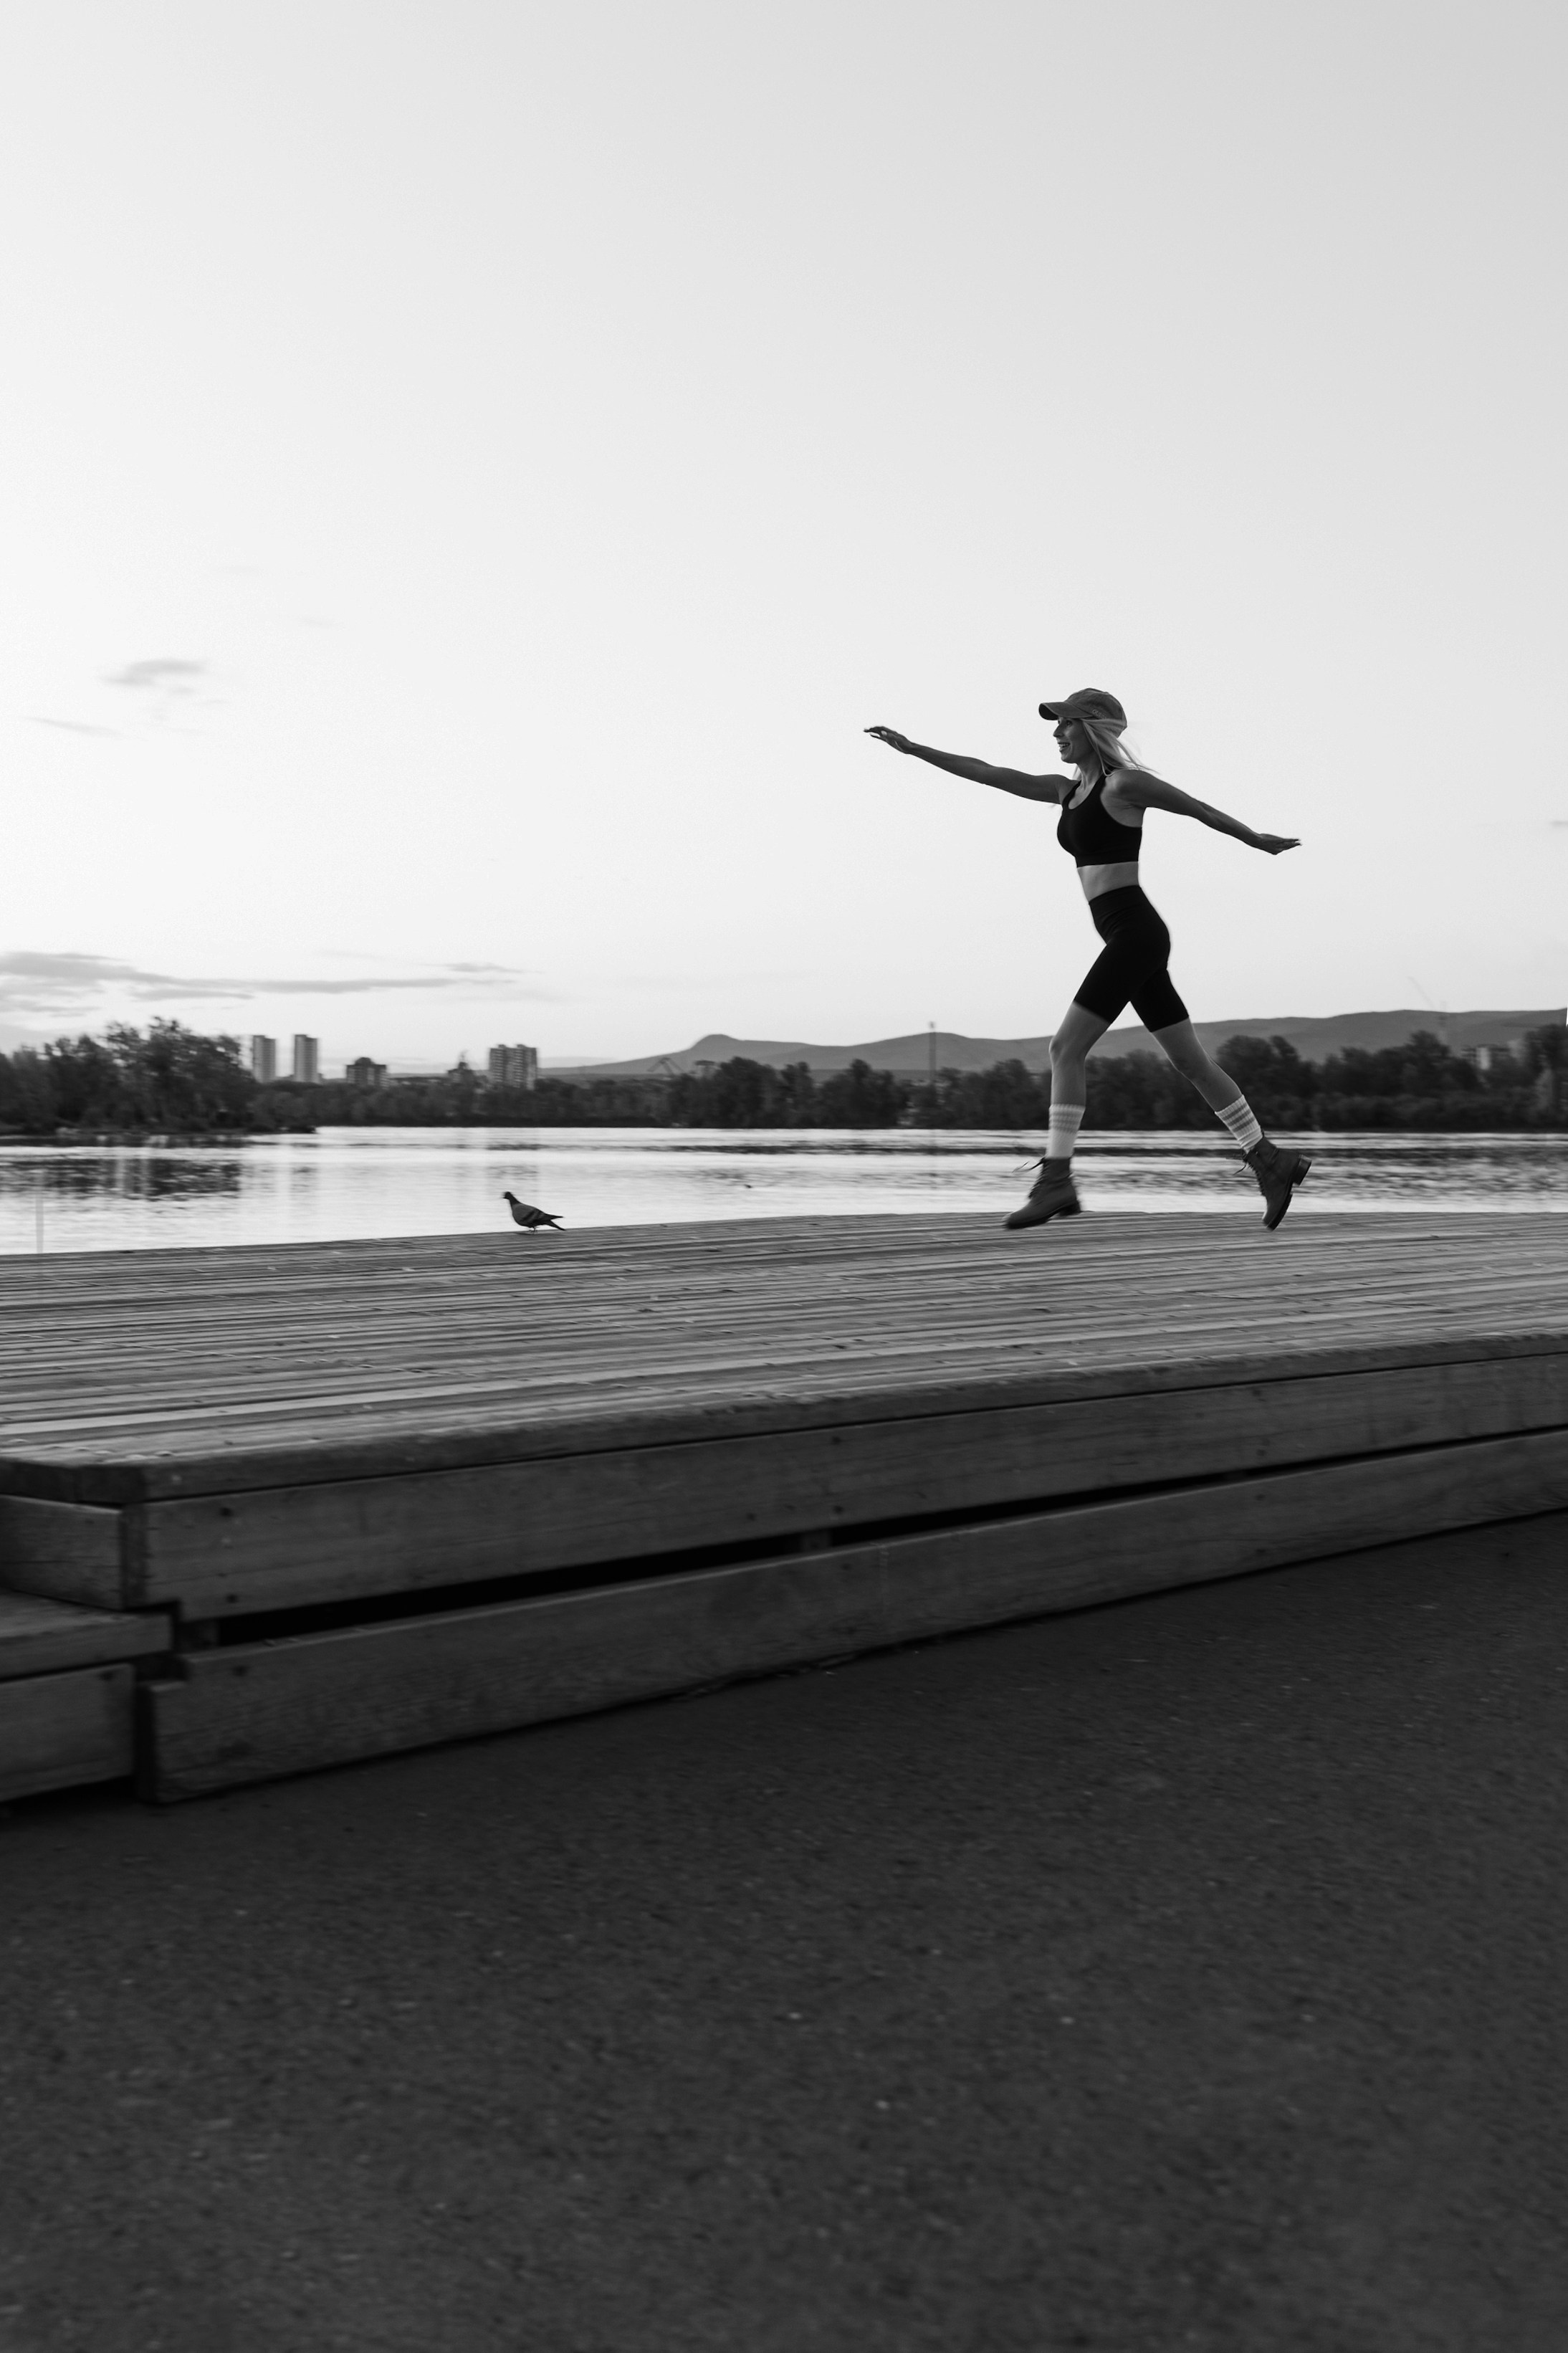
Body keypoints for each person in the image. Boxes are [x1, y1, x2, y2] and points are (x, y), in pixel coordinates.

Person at [866, 688, 1311, 1231]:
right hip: (1128, 937)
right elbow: (987, 773)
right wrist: (914, 749)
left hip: (1136, 935)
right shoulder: (1065, 791)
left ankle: (1057, 1180)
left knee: (1065, 1048)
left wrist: (1256, 840)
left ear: (1095, 728)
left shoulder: (1124, 785)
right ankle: (1269, 1160)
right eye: (1056, 725)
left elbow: (1199, 809)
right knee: (1191, 1062)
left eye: (1066, 724)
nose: (1057, 733)